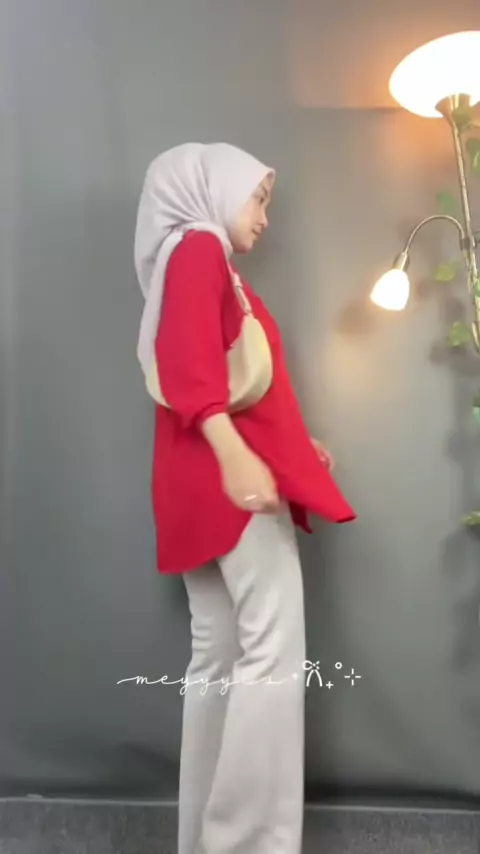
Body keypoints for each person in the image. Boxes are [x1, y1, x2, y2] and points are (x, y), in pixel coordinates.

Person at [134, 142, 356, 854]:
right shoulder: (200, 246)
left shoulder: (191, 259)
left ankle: (208, 840)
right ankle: (249, 844)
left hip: (194, 481)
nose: (264, 215)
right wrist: (236, 455)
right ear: (215, 188)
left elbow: (227, 373)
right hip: (230, 483)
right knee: (272, 654)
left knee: (219, 661)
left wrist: (291, 440)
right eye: (258, 197)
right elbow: (191, 369)